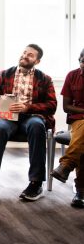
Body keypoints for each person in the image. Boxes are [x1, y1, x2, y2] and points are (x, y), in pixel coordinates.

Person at [0, 44, 56, 203]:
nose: (25, 56)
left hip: (32, 116)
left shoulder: (45, 79)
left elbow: (52, 105)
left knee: (38, 126)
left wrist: (27, 107)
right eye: (24, 53)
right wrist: (4, 105)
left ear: (37, 61)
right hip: (8, 117)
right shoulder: (5, 74)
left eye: (30, 55)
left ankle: (36, 183)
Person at [50, 48, 84, 208]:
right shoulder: (72, 75)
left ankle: (66, 166)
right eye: (82, 60)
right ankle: (80, 191)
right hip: (78, 120)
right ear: (79, 60)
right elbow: (66, 107)